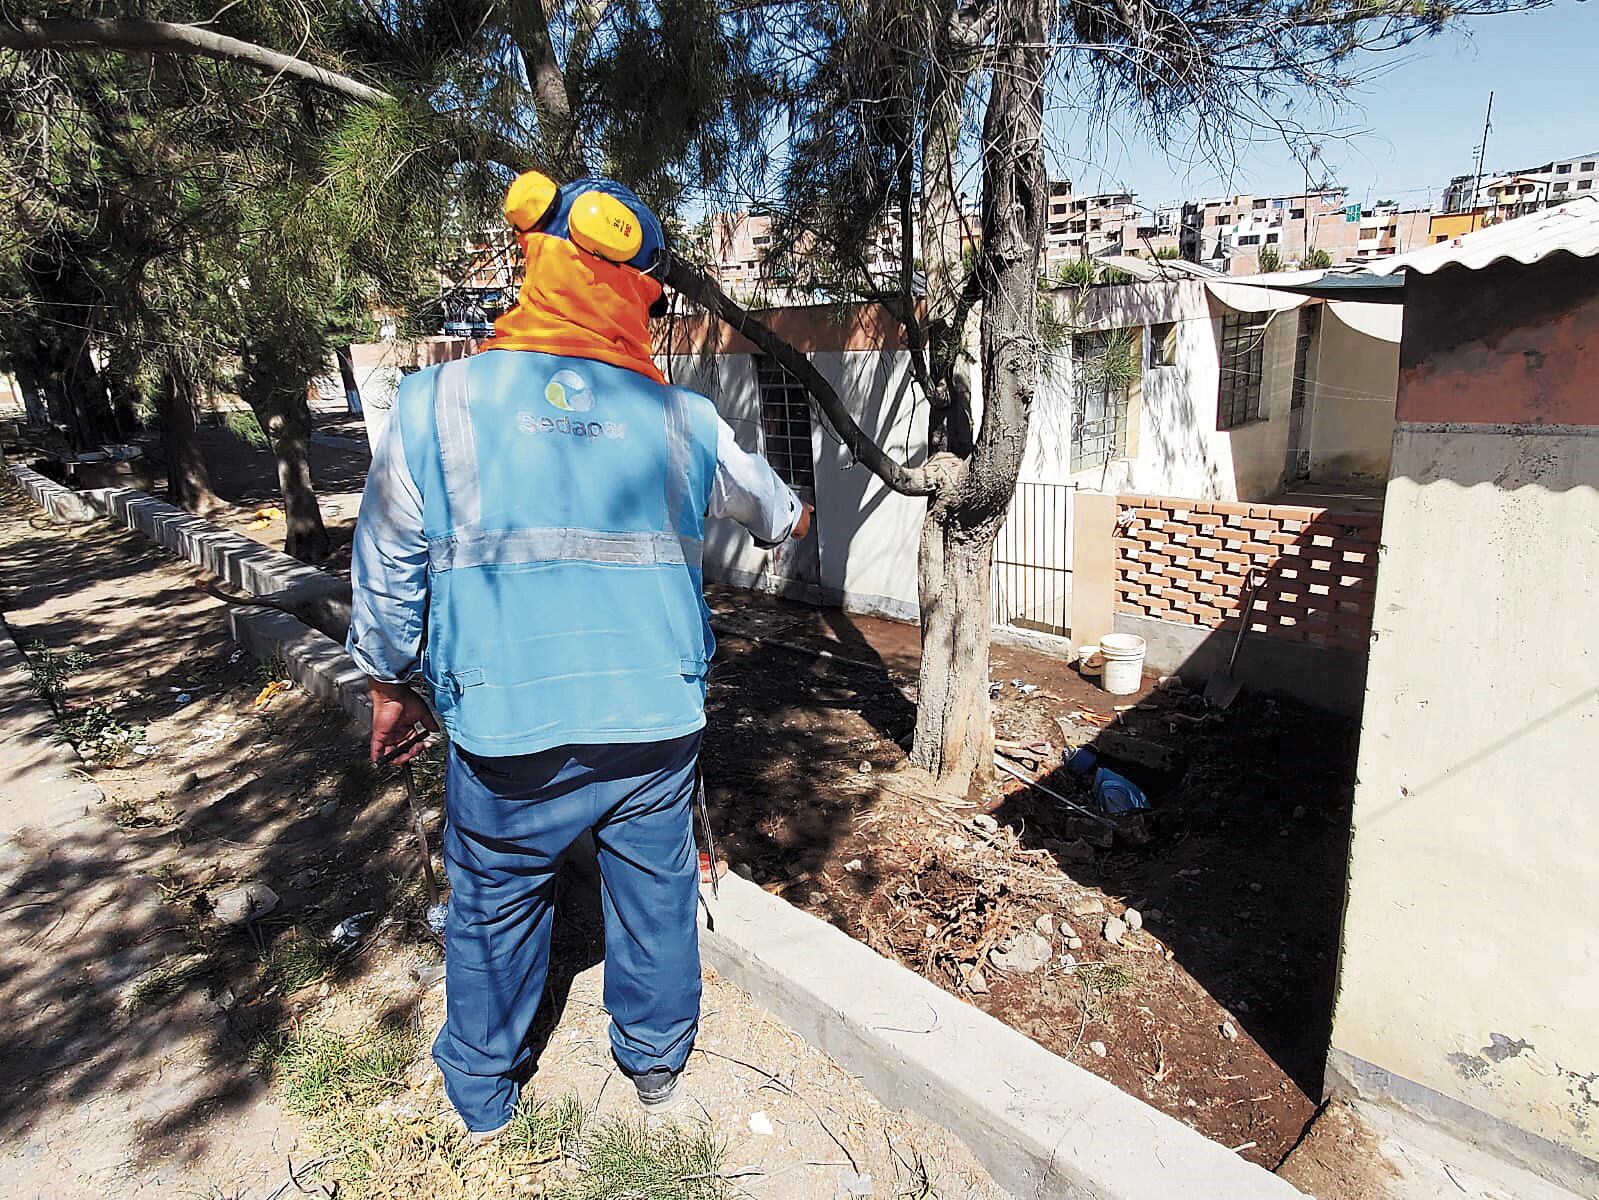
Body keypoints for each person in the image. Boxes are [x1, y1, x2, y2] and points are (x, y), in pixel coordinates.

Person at [346, 171, 812, 1137]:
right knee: (653, 901)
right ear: (639, 290)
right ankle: (654, 1074)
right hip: (653, 725)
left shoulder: (434, 404)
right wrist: (787, 511)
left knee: (496, 905)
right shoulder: (684, 420)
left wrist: (393, 681)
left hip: (504, 726)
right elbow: (775, 512)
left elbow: (388, 564)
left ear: (533, 261)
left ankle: (482, 1097)